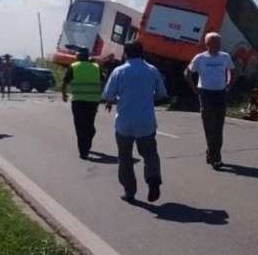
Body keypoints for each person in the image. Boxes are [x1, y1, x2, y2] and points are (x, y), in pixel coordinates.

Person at [102, 41, 168, 203]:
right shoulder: (152, 70)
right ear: (142, 52)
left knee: (125, 157)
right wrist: (147, 99)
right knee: (150, 154)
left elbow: (107, 95)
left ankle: (129, 191)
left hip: (124, 122)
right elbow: (162, 94)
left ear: (125, 53)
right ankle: (153, 181)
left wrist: (118, 99)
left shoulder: (119, 71)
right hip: (146, 122)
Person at [184, 32, 235, 170]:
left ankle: (213, 153)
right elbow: (187, 72)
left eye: (219, 43)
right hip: (205, 94)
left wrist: (229, 85)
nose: (217, 45)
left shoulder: (225, 56)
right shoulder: (200, 58)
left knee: (218, 127)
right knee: (209, 126)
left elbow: (232, 70)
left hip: (220, 94)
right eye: (214, 43)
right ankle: (215, 157)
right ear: (207, 44)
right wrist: (194, 89)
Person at [61, 48, 102, 159]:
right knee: (89, 125)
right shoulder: (96, 67)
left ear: (78, 56)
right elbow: (102, 82)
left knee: (80, 126)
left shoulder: (74, 66)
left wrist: (64, 94)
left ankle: (83, 151)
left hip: (78, 101)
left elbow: (65, 82)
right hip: (93, 101)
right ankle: (86, 146)